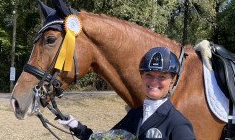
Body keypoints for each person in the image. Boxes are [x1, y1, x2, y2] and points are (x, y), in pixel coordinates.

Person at [58, 47, 196, 140]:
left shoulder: (178, 125)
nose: (154, 81)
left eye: (162, 77)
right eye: (149, 74)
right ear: (141, 76)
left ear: (173, 80)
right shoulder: (134, 115)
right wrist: (77, 127)